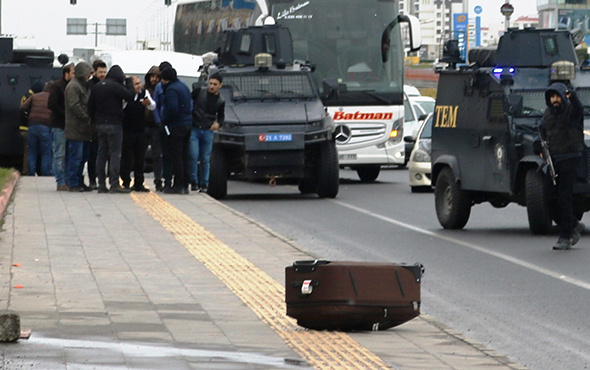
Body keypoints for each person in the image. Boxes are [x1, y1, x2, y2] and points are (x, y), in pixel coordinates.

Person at [542, 82, 586, 250]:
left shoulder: (571, 112)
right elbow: (543, 132)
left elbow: (579, 109)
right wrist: (539, 145)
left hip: (570, 158)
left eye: (557, 96)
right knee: (548, 197)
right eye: (552, 97)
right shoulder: (548, 114)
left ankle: (565, 237)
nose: (555, 100)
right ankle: (573, 224)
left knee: (564, 197)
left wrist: (572, 96)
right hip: (554, 160)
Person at [87, 65, 135, 194]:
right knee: (115, 154)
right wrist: (129, 82)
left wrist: (95, 120)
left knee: (101, 153)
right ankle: (114, 183)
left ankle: (101, 184)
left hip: (100, 124)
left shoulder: (97, 87)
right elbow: (130, 96)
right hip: (114, 124)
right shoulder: (115, 86)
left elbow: (90, 106)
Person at [190, 73, 225, 193]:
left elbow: (221, 116)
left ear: (220, 85)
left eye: (215, 84)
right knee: (193, 155)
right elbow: (189, 100)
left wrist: (218, 124)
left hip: (207, 130)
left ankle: (204, 183)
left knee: (205, 158)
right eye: (210, 83)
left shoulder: (220, 100)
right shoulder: (200, 92)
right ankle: (193, 181)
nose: (212, 86)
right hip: (195, 128)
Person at [160, 67, 192, 194]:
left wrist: (165, 119)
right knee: (185, 155)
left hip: (177, 125)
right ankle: (185, 184)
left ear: (165, 79)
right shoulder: (183, 86)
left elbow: (173, 107)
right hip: (187, 124)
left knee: (176, 156)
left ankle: (178, 185)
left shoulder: (171, 89)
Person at [121, 75, 156, 192]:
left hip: (140, 131)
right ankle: (125, 182)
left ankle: (139, 183)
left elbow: (153, 106)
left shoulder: (144, 93)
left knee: (140, 158)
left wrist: (147, 103)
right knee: (127, 158)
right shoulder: (126, 94)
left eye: (139, 83)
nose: (139, 86)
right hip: (127, 131)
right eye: (136, 84)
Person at [64, 62, 94, 192]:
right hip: (76, 128)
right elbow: (74, 105)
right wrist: (86, 116)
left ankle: (79, 181)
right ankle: (73, 182)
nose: (89, 76)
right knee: (76, 156)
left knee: (83, 157)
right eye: (88, 73)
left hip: (85, 129)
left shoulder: (84, 86)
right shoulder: (73, 86)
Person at [49, 63, 75, 191]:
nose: (75, 75)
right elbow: (52, 104)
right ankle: (60, 181)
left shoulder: (73, 87)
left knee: (70, 154)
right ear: (66, 74)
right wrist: (66, 115)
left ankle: (68, 180)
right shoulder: (57, 86)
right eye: (73, 73)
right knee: (59, 154)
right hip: (59, 125)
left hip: (71, 126)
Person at [20, 81, 53, 176]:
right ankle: (45, 172)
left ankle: (30, 172)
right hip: (45, 126)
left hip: (32, 125)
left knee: (32, 151)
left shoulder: (34, 96)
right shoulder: (51, 98)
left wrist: (29, 115)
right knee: (46, 151)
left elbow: (22, 107)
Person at [87, 59, 108, 190]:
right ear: (94, 72)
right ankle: (92, 179)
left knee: (102, 153)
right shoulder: (90, 86)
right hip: (94, 124)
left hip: (102, 123)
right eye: (100, 72)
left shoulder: (106, 84)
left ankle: (99, 178)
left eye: (104, 72)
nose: (102, 74)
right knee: (93, 153)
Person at [153, 61, 173, 191]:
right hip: (162, 124)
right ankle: (163, 180)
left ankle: (169, 180)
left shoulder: (176, 86)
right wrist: (159, 122)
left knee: (171, 154)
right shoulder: (159, 87)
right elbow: (155, 106)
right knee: (162, 154)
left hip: (173, 124)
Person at [144, 66, 164, 191]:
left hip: (156, 126)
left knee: (157, 155)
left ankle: (158, 181)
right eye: (152, 77)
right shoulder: (144, 90)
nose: (154, 79)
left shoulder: (161, 90)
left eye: (157, 77)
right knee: (140, 154)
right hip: (144, 125)